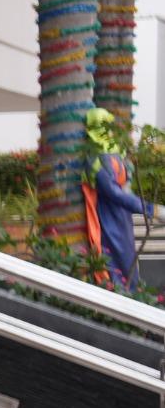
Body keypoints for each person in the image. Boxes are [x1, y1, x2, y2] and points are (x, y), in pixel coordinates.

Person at [78, 107, 150, 289]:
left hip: (121, 217)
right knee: (115, 261)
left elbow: (123, 187)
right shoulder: (97, 159)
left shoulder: (114, 154)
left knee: (126, 260)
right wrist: (149, 208)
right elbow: (113, 192)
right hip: (109, 217)